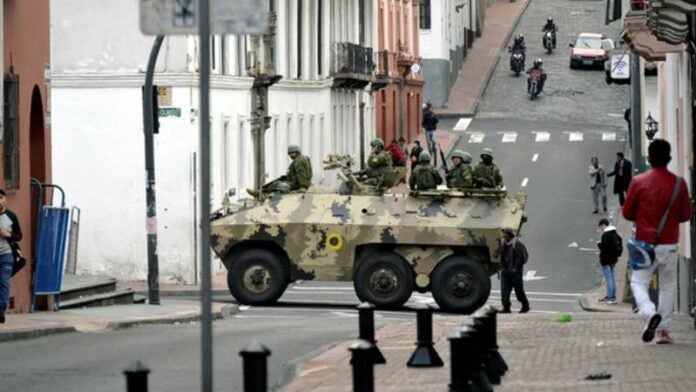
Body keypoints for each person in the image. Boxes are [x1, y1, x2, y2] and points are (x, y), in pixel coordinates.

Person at [623, 139, 691, 344]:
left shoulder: (638, 182)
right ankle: (663, 331)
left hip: (645, 244)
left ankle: (648, 312)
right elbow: (686, 215)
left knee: (638, 282)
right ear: (669, 158)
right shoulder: (679, 183)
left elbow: (627, 213)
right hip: (669, 243)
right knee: (669, 285)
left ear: (649, 158)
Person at [247, 145, 312, 197]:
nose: (290, 155)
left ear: (297, 152)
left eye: (291, 153)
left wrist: (303, 186)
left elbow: (302, 174)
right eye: (289, 153)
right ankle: (260, 191)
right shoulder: (302, 159)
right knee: (277, 182)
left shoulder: (299, 161)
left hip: (296, 184)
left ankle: (260, 192)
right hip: (294, 181)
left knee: (278, 185)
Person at [0, 189, 22, 323]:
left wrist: (9, 235)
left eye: (1, 198)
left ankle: (1, 309)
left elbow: (19, 236)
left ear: (5, 200)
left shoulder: (11, 216)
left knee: (3, 281)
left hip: (6, 254)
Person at [497, 227, 530, 314]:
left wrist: (515, 269)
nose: (504, 237)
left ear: (510, 236)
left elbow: (520, 258)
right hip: (506, 271)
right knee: (504, 291)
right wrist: (502, 268)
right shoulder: (503, 243)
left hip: (515, 272)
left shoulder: (517, 244)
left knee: (519, 291)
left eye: (505, 235)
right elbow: (501, 257)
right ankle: (506, 307)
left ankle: (525, 305)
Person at [597, 218, 622, 305]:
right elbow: (620, 243)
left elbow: (604, 248)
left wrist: (599, 244)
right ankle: (611, 296)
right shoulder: (615, 233)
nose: (601, 229)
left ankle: (611, 298)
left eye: (601, 227)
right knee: (612, 277)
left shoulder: (606, 235)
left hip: (606, 259)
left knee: (608, 279)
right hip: (613, 259)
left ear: (603, 225)